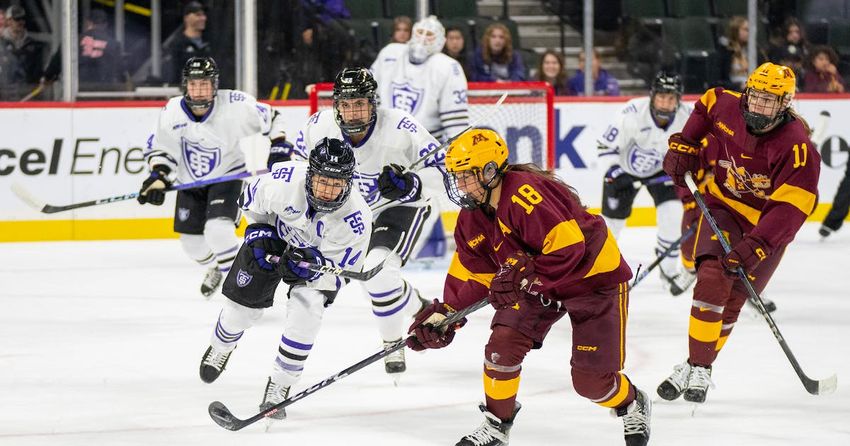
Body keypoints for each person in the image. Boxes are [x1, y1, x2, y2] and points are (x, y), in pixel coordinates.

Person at [406, 128, 652, 446]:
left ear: (491, 171)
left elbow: (570, 248)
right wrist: (447, 314)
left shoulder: (524, 192)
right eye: (457, 176)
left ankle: (631, 402)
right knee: (502, 346)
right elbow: (473, 274)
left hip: (592, 278)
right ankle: (497, 426)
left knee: (591, 383)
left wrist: (526, 278)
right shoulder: (471, 219)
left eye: (467, 175)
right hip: (540, 283)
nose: (461, 184)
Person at [658, 62, 820, 404]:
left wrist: (758, 245)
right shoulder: (726, 104)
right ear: (747, 92)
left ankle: (694, 364)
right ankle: (702, 365)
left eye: (770, 102)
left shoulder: (798, 148)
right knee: (714, 275)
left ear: (785, 105)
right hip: (724, 208)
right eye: (756, 97)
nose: (759, 107)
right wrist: (684, 145)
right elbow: (707, 103)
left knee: (732, 303)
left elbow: (791, 210)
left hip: (767, 228)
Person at [199, 137, 372, 421]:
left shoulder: (356, 219)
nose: (328, 191)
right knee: (240, 311)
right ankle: (221, 347)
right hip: (273, 239)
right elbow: (249, 202)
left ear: (349, 182)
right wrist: (258, 232)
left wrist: (314, 266)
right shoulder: (283, 180)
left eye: (337, 183)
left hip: (314, 261)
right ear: (310, 174)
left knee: (308, 309)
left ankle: (280, 384)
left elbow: (339, 274)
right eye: (322, 181)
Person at [294, 67, 442, 378]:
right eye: (346, 105)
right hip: (349, 213)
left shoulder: (402, 127)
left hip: (400, 208)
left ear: (373, 102)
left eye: (360, 103)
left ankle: (392, 342)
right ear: (336, 105)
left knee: (376, 271)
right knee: (363, 281)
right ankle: (417, 305)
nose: (353, 112)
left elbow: (445, 172)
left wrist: (411, 184)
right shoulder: (319, 127)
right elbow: (294, 169)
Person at [139, 56, 292, 298]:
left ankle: (244, 288)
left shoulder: (236, 105)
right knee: (192, 245)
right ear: (185, 85)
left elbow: (273, 118)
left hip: (227, 178)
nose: (199, 90)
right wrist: (158, 176)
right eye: (194, 84)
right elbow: (161, 150)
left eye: (205, 84)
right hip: (190, 183)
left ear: (214, 85)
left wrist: (279, 145)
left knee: (218, 231)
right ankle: (216, 267)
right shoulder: (172, 111)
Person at [597, 71, 694, 296]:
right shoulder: (631, 113)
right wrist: (615, 172)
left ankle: (669, 272)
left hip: (662, 173)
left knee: (672, 215)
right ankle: (601, 273)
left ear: (678, 99)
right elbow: (604, 146)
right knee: (610, 226)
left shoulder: (687, 117)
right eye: (661, 96)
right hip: (623, 171)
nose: (665, 102)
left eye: (671, 98)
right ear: (652, 96)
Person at [371, 15, 469, 142]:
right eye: (420, 32)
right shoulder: (389, 53)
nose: (423, 39)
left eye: (429, 34)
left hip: (426, 145)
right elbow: (370, 94)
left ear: (440, 40)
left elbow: (456, 122)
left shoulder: (449, 67)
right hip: (385, 139)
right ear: (413, 33)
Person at [41, 9, 126, 90]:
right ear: (105, 24)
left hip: (78, 92)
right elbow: (121, 72)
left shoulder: (72, 42)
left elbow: (55, 64)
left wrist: (47, 77)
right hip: (103, 93)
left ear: (88, 22)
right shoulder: (114, 44)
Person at [0, 5, 44, 100]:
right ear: (9, 21)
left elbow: (37, 74)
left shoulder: (34, 46)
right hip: (5, 97)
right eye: (17, 19)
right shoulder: (1, 44)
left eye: (23, 19)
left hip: (27, 96)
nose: (21, 22)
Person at [162, 1, 210, 85]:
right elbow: (173, 75)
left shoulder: (209, 42)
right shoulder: (177, 44)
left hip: (207, 91)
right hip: (184, 91)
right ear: (186, 18)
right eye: (198, 15)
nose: (203, 18)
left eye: (203, 15)